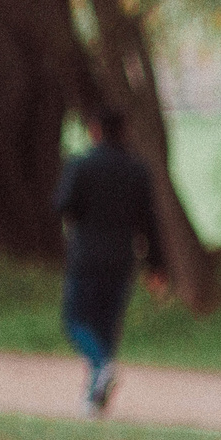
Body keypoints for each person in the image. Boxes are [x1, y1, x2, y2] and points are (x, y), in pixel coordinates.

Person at [53, 107, 167, 417]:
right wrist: (156, 266)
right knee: (106, 328)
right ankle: (95, 399)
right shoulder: (138, 171)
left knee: (76, 321)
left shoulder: (82, 166)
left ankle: (101, 368)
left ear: (95, 130)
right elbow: (149, 223)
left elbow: (62, 205)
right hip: (121, 261)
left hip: (86, 259)